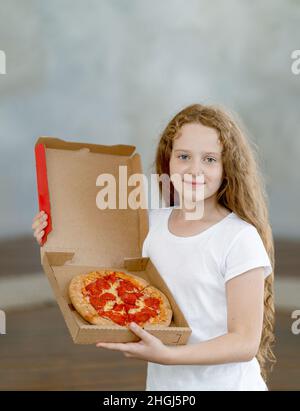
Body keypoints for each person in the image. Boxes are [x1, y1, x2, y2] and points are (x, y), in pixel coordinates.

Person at [32, 103, 276, 391]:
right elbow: (96, 267)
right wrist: (52, 237)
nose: (194, 169)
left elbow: (244, 341)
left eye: (210, 159)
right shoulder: (150, 225)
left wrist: (171, 356)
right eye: (184, 156)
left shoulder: (239, 237)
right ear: (167, 160)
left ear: (227, 167)